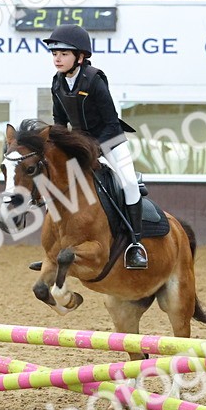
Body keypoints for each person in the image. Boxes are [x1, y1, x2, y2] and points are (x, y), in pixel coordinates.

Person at [42, 24, 147, 270]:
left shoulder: (94, 80)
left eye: (64, 54)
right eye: (55, 54)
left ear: (80, 57)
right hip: (79, 145)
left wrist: (93, 149)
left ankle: (135, 244)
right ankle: (54, 248)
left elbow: (111, 123)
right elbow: (60, 122)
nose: (57, 59)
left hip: (109, 141)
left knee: (129, 184)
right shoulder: (57, 83)